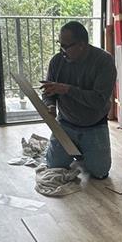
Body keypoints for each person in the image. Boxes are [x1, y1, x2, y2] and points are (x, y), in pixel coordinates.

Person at [41, 20, 116, 179]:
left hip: (94, 126)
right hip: (65, 124)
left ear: (82, 45)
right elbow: (49, 92)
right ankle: (76, 150)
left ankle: (82, 152)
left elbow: (98, 101)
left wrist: (67, 89)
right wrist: (50, 106)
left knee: (100, 173)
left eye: (66, 46)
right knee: (53, 166)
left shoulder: (104, 61)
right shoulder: (57, 61)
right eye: (59, 44)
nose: (62, 50)